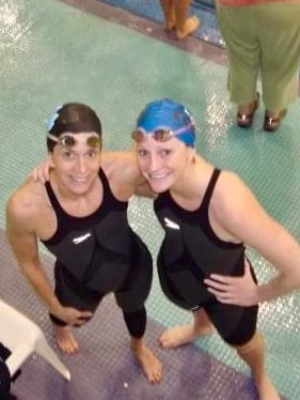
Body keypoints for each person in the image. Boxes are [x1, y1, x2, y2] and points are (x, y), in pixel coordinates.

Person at [130, 98, 300, 399]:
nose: (153, 166)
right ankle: (200, 327)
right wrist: (51, 162)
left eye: (165, 151)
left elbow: (296, 267)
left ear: (191, 148)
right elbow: (95, 166)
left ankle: (260, 377)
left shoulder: (227, 201)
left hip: (228, 295)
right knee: (195, 306)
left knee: (244, 344)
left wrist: (256, 294)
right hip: (180, 278)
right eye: (144, 152)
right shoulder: (156, 175)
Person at [6, 103, 162, 384]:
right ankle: (61, 329)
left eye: (90, 153)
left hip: (132, 266)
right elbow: (29, 263)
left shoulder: (118, 171)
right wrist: (54, 307)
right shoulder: (26, 207)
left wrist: (158, 154)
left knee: (135, 310)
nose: (81, 168)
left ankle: (138, 347)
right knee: (66, 317)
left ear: (100, 151)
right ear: (50, 156)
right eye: (68, 154)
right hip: (78, 282)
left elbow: (169, 183)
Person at [214, 0, 300, 131]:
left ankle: (244, 113)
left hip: (233, 7)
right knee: (279, 64)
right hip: (285, 8)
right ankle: (273, 116)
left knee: (241, 61)